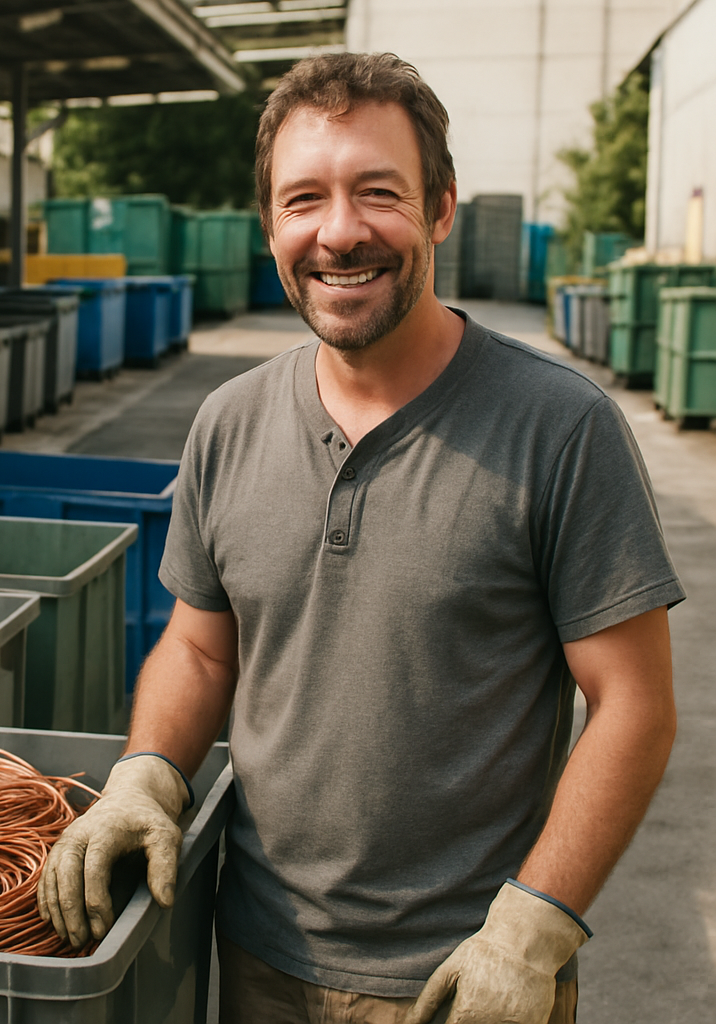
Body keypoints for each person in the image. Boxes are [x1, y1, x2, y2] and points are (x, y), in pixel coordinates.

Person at [37, 52, 683, 1024]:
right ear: (268, 226)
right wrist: (146, 771)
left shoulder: (558, 426)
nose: (337, 232)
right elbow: (203, 642)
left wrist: (532, 929)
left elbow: (631, 704)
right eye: (303, 199)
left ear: (440, 208)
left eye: (377, 192)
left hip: (465, 978)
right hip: (253, 947)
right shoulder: (229, 420)